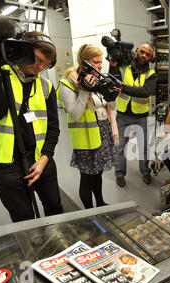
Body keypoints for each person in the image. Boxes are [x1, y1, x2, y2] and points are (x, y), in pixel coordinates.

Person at [0, 31, 63, 222]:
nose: (40, 67)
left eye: (45, 64)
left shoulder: (46, 86)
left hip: (39, 159)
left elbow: (53, 128)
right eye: (37, 60)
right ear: (24, 51)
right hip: (5, 165)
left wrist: (44, 159)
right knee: (24, 218)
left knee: (55, 207)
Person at [57, 44, 118, 209]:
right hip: (85, 138)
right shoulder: (68, 84)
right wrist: (84, 91)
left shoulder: (97, 80)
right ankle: (89, 212)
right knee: (87, 177)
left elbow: (107, 105)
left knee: (97, 174)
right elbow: (75, 114)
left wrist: (111, 93)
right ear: (85, 63)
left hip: (101, 132)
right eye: (96, 62)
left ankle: (100, 203)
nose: (100, 65)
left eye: (100, 62)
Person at [109, 43, 157, 187]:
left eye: (147, 54)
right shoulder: (124, 67)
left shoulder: (151, 74)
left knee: (144, 147)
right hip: (122, 115)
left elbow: (145, 92)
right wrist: (112, 64)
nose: (143, 55)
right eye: (142, 52)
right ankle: (119, 174)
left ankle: (145, 171)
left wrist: (123, 88)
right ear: (136, 51)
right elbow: (112, 80)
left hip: (141, 116)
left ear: (150, 58)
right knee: (120, 147)